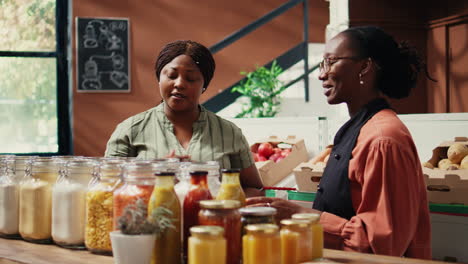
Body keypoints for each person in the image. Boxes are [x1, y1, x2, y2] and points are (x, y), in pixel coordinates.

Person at [247, 26, 432, 258]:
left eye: (331, 62)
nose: (322, 74)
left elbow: (382, 245)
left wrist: (301, 216)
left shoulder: (383, 140)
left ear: (365, 67)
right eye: (322, 64)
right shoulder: (360, 128)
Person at [105, 40, 263, 197]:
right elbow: (107, 188)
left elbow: (255, 189)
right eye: (172, 75)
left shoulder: (229, 133)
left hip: (212, 221)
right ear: (159, 78)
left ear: (204, 85)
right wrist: (155, 175)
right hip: (150, 222)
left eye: (191, 78)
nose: (179, 84)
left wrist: (223, 203)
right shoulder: (130, 130)